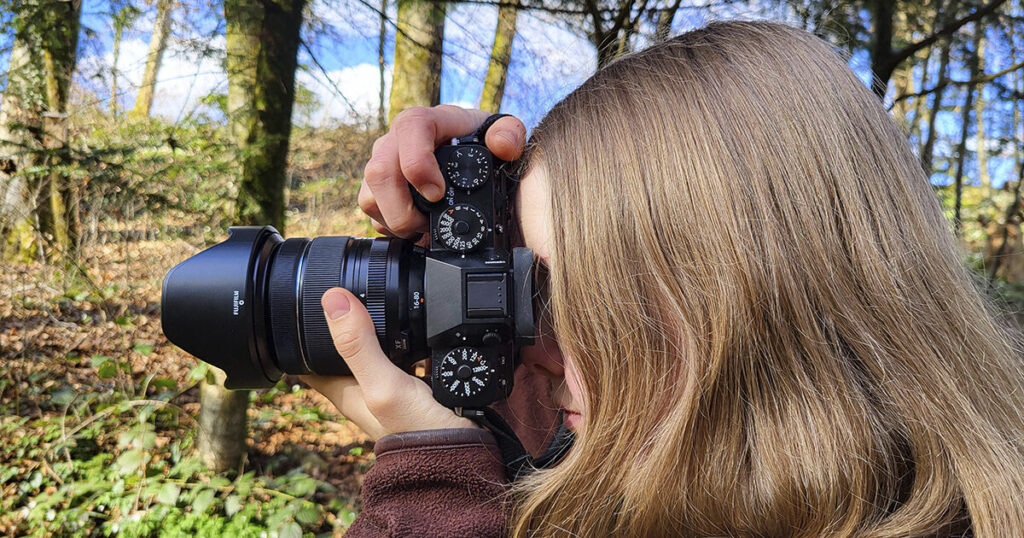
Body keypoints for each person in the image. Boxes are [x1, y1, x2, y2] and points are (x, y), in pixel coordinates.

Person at [301, 20, 1024, 537]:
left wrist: (433, 499)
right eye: (530, 291)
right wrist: (486, 224)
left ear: (760, 296)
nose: (536, 347)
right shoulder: (678, 483)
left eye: (577, 295)